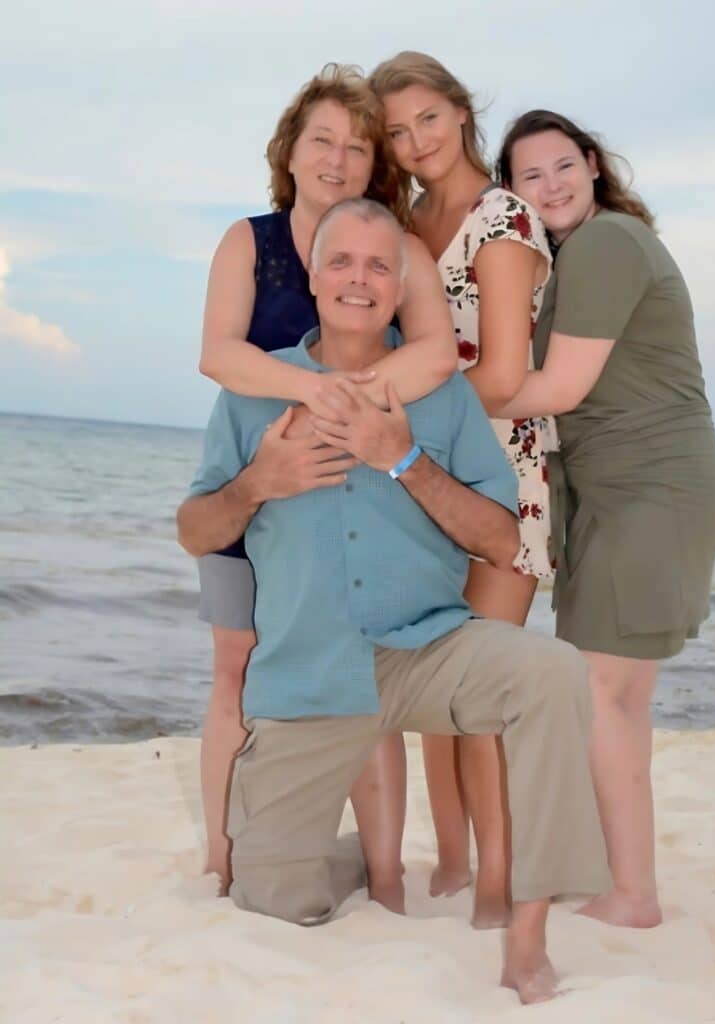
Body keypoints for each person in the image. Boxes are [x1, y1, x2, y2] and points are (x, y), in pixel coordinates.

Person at [178, 198, 608, 1005]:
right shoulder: (250, 393)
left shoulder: (438, 394)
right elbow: (194, 530)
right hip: (309, 672)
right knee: (272, 901)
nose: (358, 279)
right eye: (341, 261)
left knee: (549, 672)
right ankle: (323, 855)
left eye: (379, 265)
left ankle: (526, 937)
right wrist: (258, 484)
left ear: (401, 284)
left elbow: (499, 537)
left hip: (427, 653)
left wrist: (401, 456)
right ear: (312, 275)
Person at [194, 64, 458, 903]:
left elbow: (434, 352)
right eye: (321, 141)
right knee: (235, 666)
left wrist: (360, 401)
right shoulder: (251, 241)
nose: (338, 159)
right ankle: (222, 856)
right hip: (260, 478)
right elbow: (219, 355)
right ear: (291, 149)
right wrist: (316, 391)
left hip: (360, 498)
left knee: (363, 675)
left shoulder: (397, 247)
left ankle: (385, 878)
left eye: (356, 146)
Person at [495, 111, 715, 928]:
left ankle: (631, 896)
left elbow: (556, 391)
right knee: (613, 698)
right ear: (512, 193)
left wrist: (437, 399)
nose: (552, 184)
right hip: (625, 494)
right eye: (531, 175)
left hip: (649, 493)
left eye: (564, 165)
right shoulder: (578, 257)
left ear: (593, 166)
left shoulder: (604, 244)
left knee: (601, 695)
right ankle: (619, 882)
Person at [369, 52, 554, 928]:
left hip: (499, 474)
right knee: (435, 689)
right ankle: (450, 861)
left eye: (427, 120)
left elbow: (509, 374)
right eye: (397, 132)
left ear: (460, 111)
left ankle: (498, 882)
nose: (414, 143)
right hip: (421, 477)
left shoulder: (501, 217)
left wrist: (394, 410)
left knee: (480, 691)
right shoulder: (405, 220)